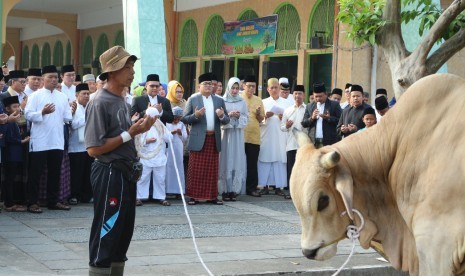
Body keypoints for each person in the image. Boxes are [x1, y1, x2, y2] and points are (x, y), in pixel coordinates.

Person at [85, 46, 155, 275]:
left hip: (125, 172)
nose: (132, 72)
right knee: (107, 229)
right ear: (111, 72)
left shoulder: (123, 102)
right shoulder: (99, 102)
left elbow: (125, 137)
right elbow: (94, 149)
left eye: (132, 66)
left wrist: (142, 128)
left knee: (123, 232)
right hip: (109, 171)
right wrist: (130, 133)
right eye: (126, 67)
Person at [24, 65, 73, 213]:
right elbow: (28, 114)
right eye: (50, 77)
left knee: (54, 172)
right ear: (43, 79)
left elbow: (67, 117)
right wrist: (42, 112)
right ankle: (32, 202)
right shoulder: (35, 96)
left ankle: (53, 201)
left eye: (55, 77)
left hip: (56, 140)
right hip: (40, 141)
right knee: (36, 173)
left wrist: (72, 111)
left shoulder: (62, 96)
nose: (53, 80)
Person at [182, 73, 230, 205]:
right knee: (196, 169)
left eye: (210, 84)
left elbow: (226, 120)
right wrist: (196, 115)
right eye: (205, 84)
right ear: (199, 86)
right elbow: (184, 119)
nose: (208, 86)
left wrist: (221, 116)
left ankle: (212, 196)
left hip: (213, 139)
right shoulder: (193, 99)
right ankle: (193, 196)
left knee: (212, 170)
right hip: (198, 139)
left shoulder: (219, 100)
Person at [135, 107, 173, 206]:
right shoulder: (142, 125)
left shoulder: (161, 126)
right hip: (145, 157)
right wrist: (147, 141)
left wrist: (164, 133)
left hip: (159, 157)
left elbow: (170, 138)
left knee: (160, 178)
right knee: (143, 178)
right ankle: (139, 197)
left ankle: (160, 197)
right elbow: (137, 141)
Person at [218, 77, 248, 201]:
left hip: (238, 134)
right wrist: (228, 116)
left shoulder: (242, 102)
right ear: (228, 88)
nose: (235, 91)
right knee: (226, 158)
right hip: (226, 134)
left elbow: (247, 117)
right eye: (233, 88)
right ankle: (225, 189)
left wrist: (239, 116)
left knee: (236, 158)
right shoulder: (222, 101)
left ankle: (234, 190)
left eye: (237, 88)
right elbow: (219, 117)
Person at [258, 78, 288, 196]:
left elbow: (289, 121)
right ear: (267, 89)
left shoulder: (286, 103)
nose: (274, 90)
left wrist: (283, 118)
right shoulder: (263, 102)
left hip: (280, 136)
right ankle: (264, 185)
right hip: (267, 135)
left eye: (276, 87)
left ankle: (279, 187)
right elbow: (258, 120)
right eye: (272, 88)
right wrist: (265, 117)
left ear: (279, 88)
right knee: (265, 159)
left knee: (279, 160)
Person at [1, 96, 29, 212]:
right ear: (7, 109)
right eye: (14, 107)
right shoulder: (8, 121)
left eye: (18, 106)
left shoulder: (16, 119)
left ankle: (11, 202)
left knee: (12, 178)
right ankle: (9, 204)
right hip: (11, 154)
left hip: (16, 154)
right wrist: (21, 141)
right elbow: (8, 138)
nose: (17, 109)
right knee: (9, 179)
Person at [67, 83, 93, 205]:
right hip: (76, 146)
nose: (87, 96)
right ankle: (74, 196)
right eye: (84, 94)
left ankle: (86, 196)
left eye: (88, 94)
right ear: (77, 95)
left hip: (89, 146)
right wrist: (87, 117)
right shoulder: (72, 107)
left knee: (88, 172)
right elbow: (72, 124)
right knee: (76, 173)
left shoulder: (91, 106)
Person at [280, 85, 306, 199]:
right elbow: (282, 127)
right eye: (295, 93)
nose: (297, 96)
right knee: (291, 169)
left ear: (304, 95)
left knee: (303, 168)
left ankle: (302, 192)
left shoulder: (308, 109)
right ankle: (291, 192)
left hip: (304, 144)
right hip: (291, 144)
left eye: (300, 93)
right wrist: (286, 125)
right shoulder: (288, 110)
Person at [241, 75, 264, 197]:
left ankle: (251, 188)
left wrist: (259, 114)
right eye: (249, 86)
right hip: (240, 136)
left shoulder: (258, 100)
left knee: (252, 164)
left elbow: (261, 119)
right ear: (243, 86)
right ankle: (236, 188)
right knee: (238, 163)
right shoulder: (239, 98)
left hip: (254, 136)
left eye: (253, 86)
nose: (251, 88)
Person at [301, 83, 342, 148]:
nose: (318, 98)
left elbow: (341, 121)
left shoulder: (334, 105)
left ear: (326, 94)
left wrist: (329, 118)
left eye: (320, 96)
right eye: (316, 96)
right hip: (313, 141)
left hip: (329, 142)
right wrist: (312, 118)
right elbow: (303, 123)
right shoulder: (309, 106)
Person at [165, 106, 187, 198]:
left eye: (179, 118)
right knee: (168, 167)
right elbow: (164, 136)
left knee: (178, 167)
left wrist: (180, 133)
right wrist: (172, 133)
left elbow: (185, 137)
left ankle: (178, 190)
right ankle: (167, 190)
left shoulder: (182, 124)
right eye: (175, 118)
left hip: (178, 148)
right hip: (168, 148)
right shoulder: (166, 123)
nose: (177, 120)